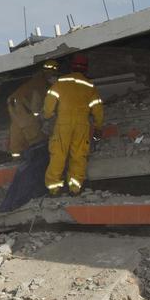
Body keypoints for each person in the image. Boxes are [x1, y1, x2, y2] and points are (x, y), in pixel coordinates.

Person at [42, 54, 104, 196]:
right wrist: (98, 127)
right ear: (86, 69)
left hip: (62, 124)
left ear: (71, 67)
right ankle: (75, 188)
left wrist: (47, 116)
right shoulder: (90, 86)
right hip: (82, 125)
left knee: (58, 155)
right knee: (78, 155)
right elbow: (98, 109)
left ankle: (54, 189)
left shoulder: (61, 82)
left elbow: (49, 103)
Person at [6, 60, 60, 157]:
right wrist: (39, 115)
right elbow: (36, 104)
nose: (52, 77)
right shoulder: (40, 84)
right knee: (32, 130)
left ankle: (16, 153)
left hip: (13, 103)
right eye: (52, 75)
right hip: (21, 105)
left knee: (17, 127)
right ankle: (36, 154)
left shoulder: (37, 80)